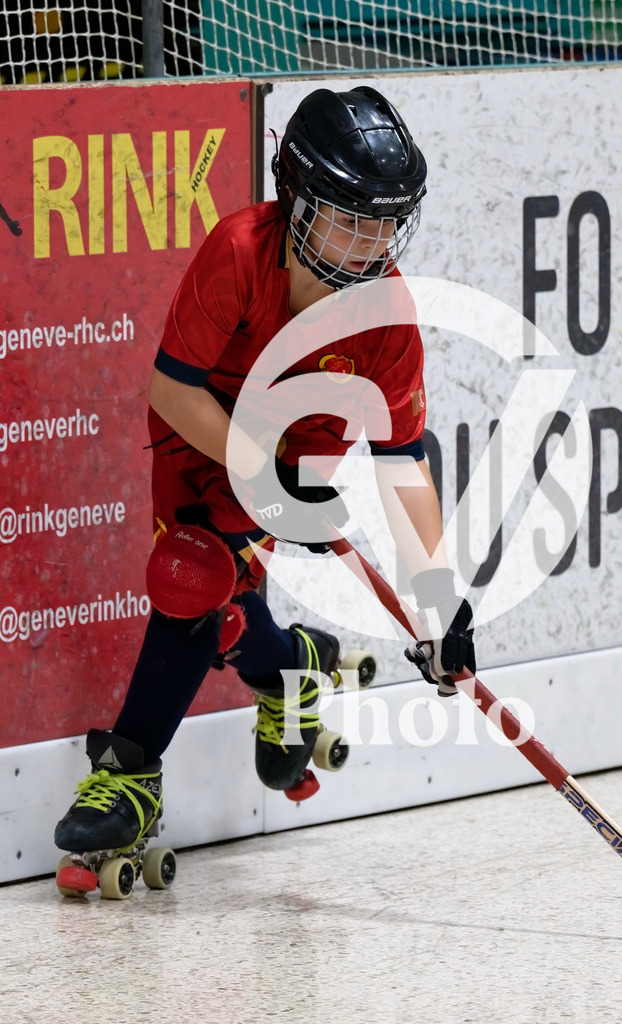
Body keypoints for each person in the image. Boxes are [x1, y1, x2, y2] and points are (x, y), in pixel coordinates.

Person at [54, 86, 475, 858]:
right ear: (298, 197)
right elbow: (171, 388)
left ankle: (129, 775)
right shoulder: (238, 251)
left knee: (194, 575)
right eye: (351, 217)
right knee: (215, 599)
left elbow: (403, 461)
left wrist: (438, 606)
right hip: (199, 420)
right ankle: (292, 667)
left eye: (387, 222)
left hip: (299, 435)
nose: (370, 243)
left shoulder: (386, 317)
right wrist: (255, 470)